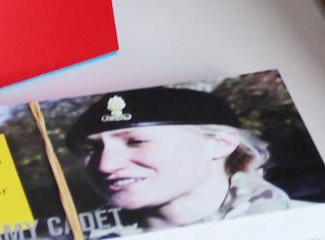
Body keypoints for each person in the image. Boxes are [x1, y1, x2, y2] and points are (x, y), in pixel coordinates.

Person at [64, 86, 298, 229]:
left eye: (137, 141)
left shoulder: (301, 224)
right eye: (90, 149)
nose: (105, 165)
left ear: (221, 144)